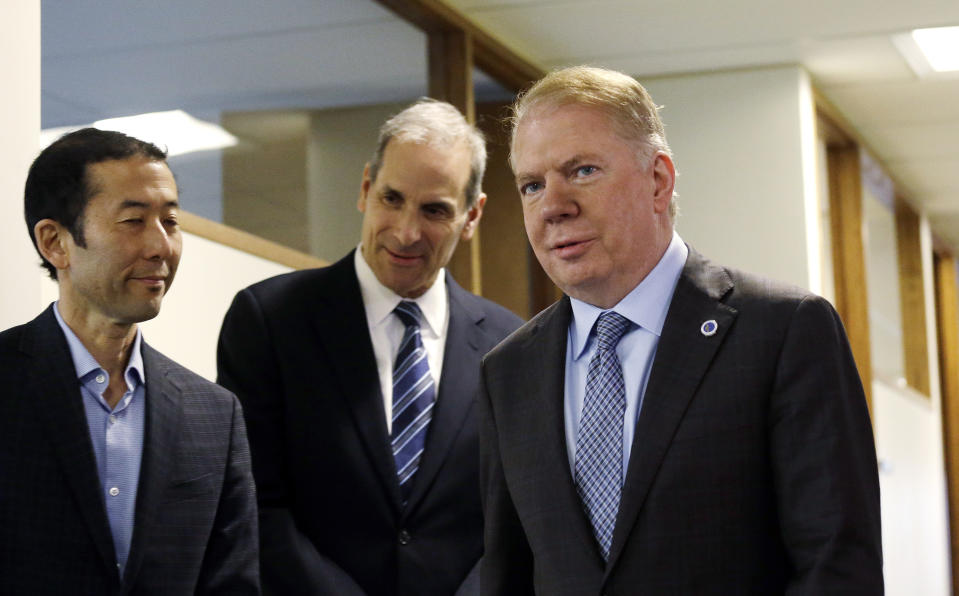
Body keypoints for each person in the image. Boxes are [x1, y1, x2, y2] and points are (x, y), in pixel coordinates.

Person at [479, 66, 883, 594]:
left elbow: (836, 567)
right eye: (532, 185)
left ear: (658, 180)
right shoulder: (507, 372)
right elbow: (506, 576)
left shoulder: (784, 332)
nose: (553, 206)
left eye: (581, 171)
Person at [217, 98, 524, 596]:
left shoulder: (511, 346)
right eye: (392, 198)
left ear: (472, 216)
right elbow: (253, 503)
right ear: (365, 189)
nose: (406, 232)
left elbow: (516, 519)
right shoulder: (270, 321)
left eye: (435, 211)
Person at [0, 128, 260, 595]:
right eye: (134, 221)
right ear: (55, 242)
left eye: (171, 221)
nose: (161, 247)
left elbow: (231, 583)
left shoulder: (215, 415)